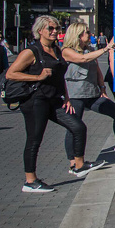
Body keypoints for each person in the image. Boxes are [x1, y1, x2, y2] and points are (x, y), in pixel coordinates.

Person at [7, 15, 106, 194]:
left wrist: (66, 97)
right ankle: (30, 180)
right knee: (34, 139)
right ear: (40, 31)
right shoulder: (32, 52)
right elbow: (11, 74)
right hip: (35, 101)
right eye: (50, 29)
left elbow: (61, 77)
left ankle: (79, 165)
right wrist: (37, 77)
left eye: (57, 28)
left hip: (55, 100)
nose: (55, 32)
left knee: (78, 127)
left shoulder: (57, 50)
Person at [61, 22, 115, 165]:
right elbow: (82, 59)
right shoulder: (67, 51)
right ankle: (73, 160)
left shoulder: (89, 49)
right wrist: (105, 49)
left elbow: (97, 69)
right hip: (75, 95)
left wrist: (102, 88)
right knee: (74, 126)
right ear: (78, 35)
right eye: (87, 32)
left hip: (92, 94)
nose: (90, 35)